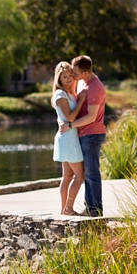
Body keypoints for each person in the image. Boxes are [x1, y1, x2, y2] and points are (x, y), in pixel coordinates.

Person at [60, 55, 107, 216]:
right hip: (84, 134)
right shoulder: (83, 82)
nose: (74, 76)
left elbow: (91, 117)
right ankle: (90, 208)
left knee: (92, 173)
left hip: (92, 134)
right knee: (87, 173)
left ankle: (95, 211)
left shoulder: (95, 87)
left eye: (76, 73)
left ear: (85, 73)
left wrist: (70, 125)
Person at [51, 62, 86, 215]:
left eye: (71, 76)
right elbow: (70, 116)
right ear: (58, 78)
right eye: (64, 76)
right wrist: (82, 100)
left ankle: (64, 209)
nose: (69, 79)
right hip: (68, 139)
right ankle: (69, 208)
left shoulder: (69, 93)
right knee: (80, 175)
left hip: (68, 136)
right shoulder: (60, 94)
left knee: (67, 176)